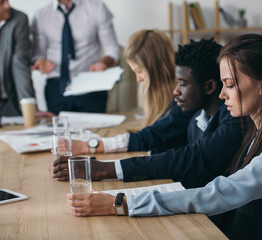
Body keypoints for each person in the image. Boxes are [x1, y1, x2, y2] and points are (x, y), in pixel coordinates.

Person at [66, 34, 262, 240]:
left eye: (229, 85)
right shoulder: (257, 130)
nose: (222, 95)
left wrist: (120, 203)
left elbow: (221, 193)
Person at [54, 38, 245, 190]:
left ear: (210, 86)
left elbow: (190, 157)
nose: (175, 91)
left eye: (183, 84)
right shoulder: (197, 117)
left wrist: (106, 169)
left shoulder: (234, 120)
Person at [68, 29, 192, 156]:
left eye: (139, 71)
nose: (138, 79)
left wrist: (89, 145)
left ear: (156, 68)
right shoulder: (166, 95)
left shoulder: (184, 98)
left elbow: (150, 136)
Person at [31, 0, 120, 114]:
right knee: (57, 130)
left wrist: (103, 62)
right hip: (56, 86)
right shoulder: (41, 14)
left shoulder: (97, 8)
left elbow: (112, 49)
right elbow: (38, 54)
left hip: (91, 84)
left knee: (96, 130)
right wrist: (40, 62)